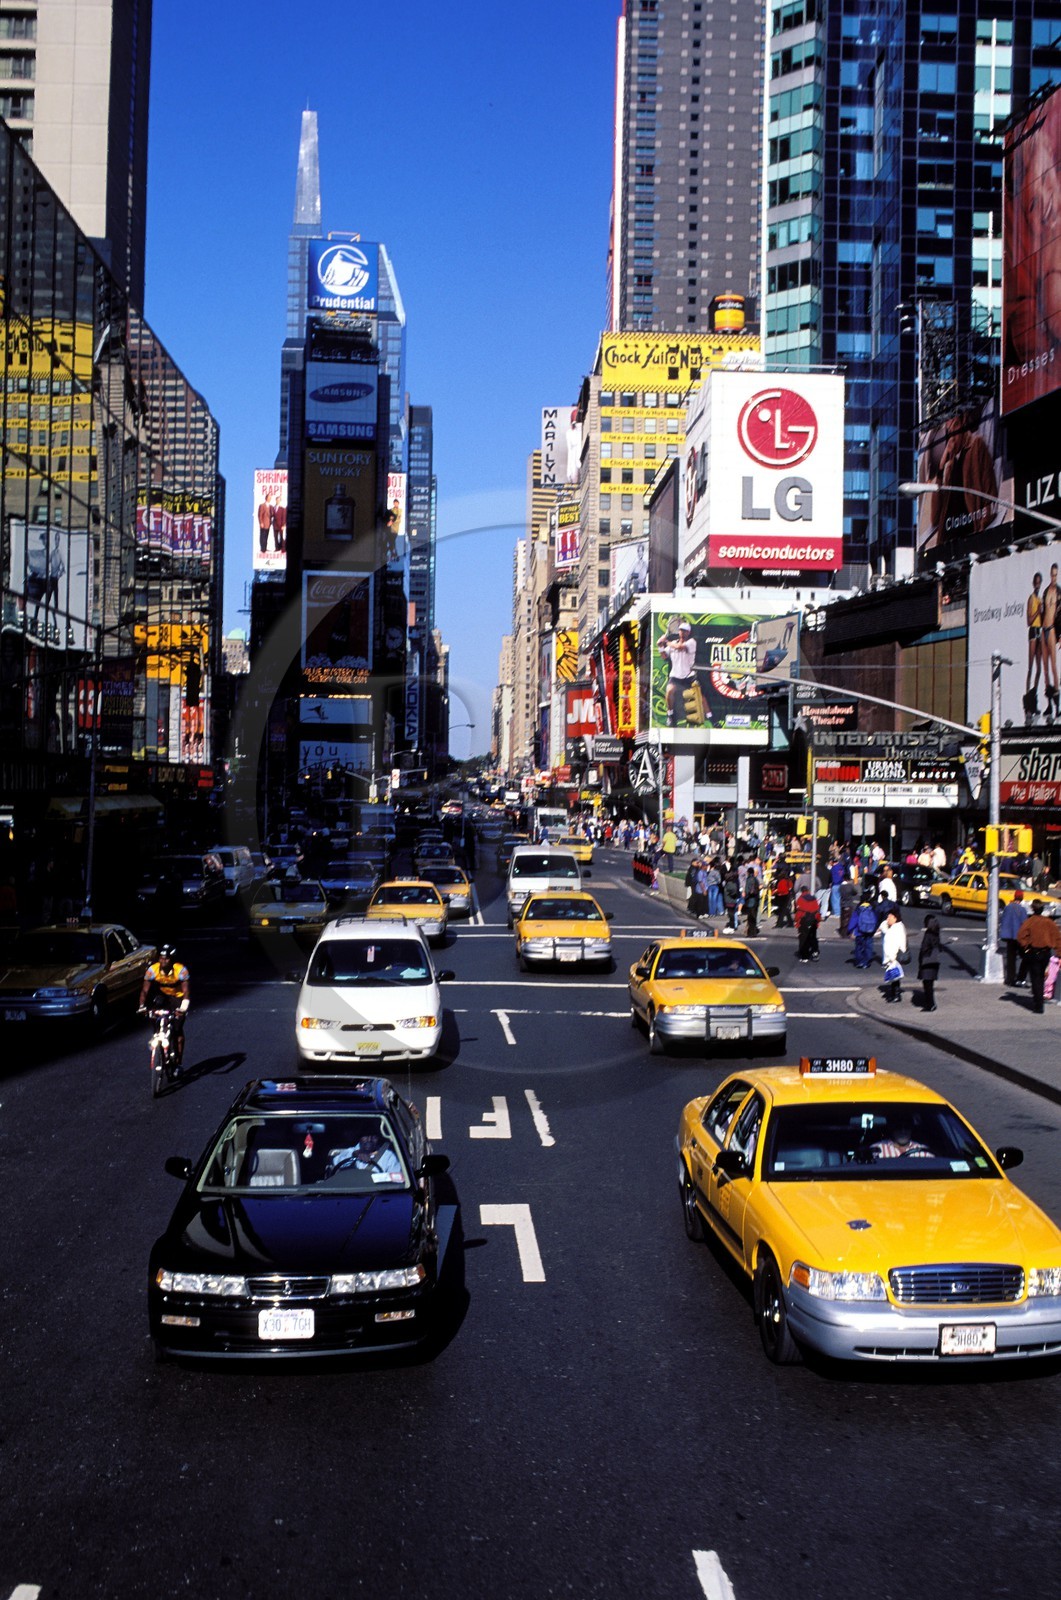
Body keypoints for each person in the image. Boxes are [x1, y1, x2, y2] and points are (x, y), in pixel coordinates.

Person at [139, 944, 190, 1065]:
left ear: (172, 960)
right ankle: (158, 1036)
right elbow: (145, 991)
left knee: (177, 1030)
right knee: (154, 1013)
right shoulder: (152, 970)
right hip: (163, 997)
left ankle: (178, 1062)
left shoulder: (181, 970)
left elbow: (186, 991)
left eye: (166, 958)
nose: (163, 961)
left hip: (178, 998)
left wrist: (183, 1007)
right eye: (161, 958)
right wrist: (142, 1006)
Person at [1016, 899, 1061, 1013]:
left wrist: (1026, 947)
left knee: (1036, 978)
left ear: (1032, 909)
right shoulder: (1049, 923)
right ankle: (1040, 1000)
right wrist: (1059, 953)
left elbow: (1021, 936)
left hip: (1034, 952)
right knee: (1041, 977)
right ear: (1042, 909)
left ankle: (1038, 1004)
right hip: (1046, 953)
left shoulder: (1030, 921)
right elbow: (1057, 938)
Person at [657, 618, 698, 727]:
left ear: (688, 633)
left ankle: (710, 718)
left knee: (701, 698)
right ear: (678, 631)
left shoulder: (691, 642)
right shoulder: (672, 644)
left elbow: (680, 647)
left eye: (685, 631)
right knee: (669, 691)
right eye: (681, 630)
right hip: (675, 676)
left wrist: (666, 642)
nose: (682, 633)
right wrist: (660, 646)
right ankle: (670, 715)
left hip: (689, 676)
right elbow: (664, 656)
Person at [325, 1130, 403, 1178]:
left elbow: (395, 1179)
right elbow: (336, 1162)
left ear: (378, 1138)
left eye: (373, 1137)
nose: (369, 1140)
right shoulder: (351, 1151)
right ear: (360, 1137)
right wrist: (354, 1155)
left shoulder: (388, 1157)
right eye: (366, 1136)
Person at [876, 908, 908, 1003]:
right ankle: (894, 994)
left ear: (895, 918)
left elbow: (900, 944)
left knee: (895, 976)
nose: (888, 919)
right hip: (891, 957)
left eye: (890, 917)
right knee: (893, 977)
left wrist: (893, 957)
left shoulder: (898, 928)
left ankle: (896, 995)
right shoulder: (892, 927)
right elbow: (883, 927)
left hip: (894, 957)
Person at [1000, 890, 1030, 988]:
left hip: (1009, 936)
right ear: (1021, 898)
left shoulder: (1008, 907)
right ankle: (1021, 977)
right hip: (1019, 937)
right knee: (1025, 957)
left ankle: (1010, 979)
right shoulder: (1022, 910)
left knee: (1010, 958)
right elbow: (1025, 924)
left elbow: (1003, 920)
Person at [918, 913, 942, 1012]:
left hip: (927, 962)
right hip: (934, 962)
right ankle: (930, 1003)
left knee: (927, 985)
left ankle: (930, 1004)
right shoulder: (936, 933)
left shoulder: (928, 934)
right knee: (930, 984)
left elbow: (924, 948)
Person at [795, 884, 821, 961]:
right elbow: (817, 911)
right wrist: (818, 921)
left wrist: (796, 921)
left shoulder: (800, 899)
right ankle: (815, 952)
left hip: (804, 921)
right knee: (813, 937)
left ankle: (804, 956)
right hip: (813, 921)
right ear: (808, 891)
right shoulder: (814, 899)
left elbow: (799, 913)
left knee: (803, 938)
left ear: (801, 891)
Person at [773, 862, 794, 928]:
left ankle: (779, 924)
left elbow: (780, 890)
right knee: (785, 910)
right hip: (787, 896)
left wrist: (776, 891)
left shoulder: (781, 881)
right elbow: (790, 887)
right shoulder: (788, 880)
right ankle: (790, 922)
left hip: (781, 896)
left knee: (782, 911)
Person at [743, 867, 761, 938]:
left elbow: (747, 890)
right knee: (754, 917)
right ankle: (753, 933)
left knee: (750, 918)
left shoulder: (749, 880)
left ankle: (750, 933)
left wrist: (745, 896)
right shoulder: (756, 879)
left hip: (750, 900)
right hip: (756, 900)